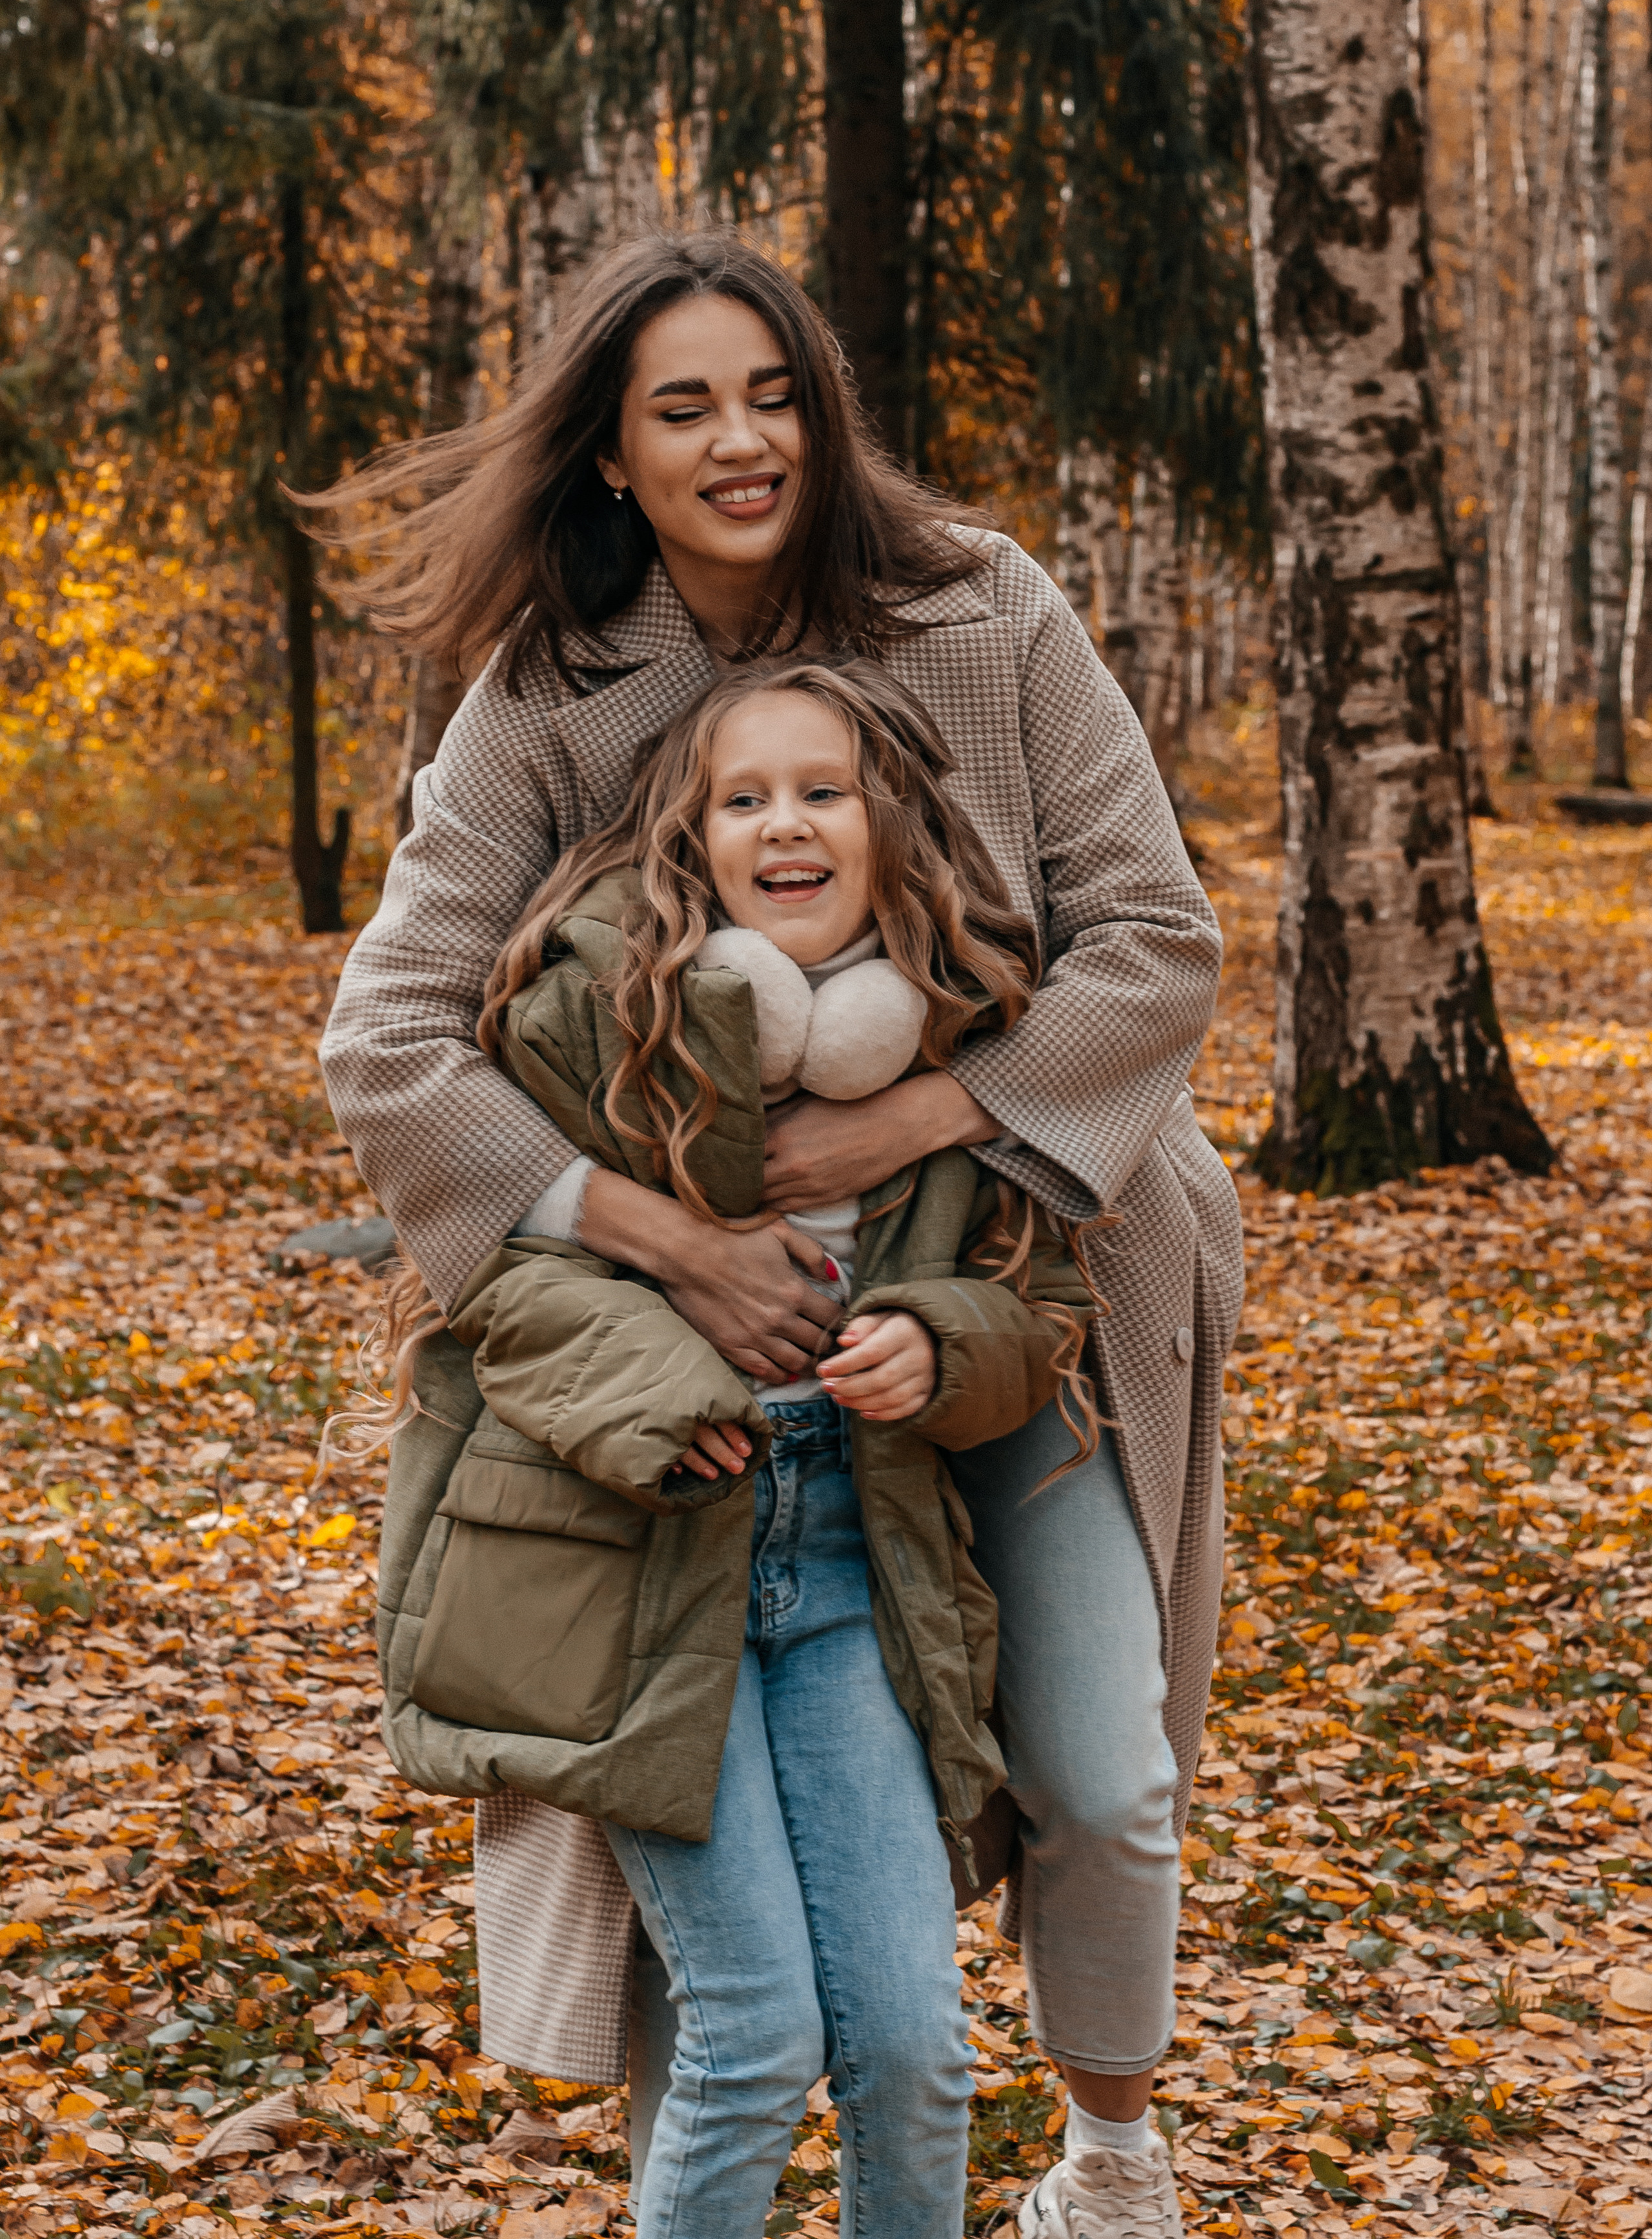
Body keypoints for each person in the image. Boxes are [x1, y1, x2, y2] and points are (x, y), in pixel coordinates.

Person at [314, 230, 1244, 2239]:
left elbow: (1161, 936)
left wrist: (900, 1117)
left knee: (1100, 1764)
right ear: (614, 463)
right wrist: (667, 1231)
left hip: (1026, 1270)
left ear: (825, 409)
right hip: (710, 1344)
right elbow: (384, 1034)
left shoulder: (984, 608)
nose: (741, 441)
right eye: (682, 410)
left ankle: (1107, 2161)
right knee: (696, 1805)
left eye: (772, 393)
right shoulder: (557, 694)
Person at [367, 656, 1102, 2238]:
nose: (785, 823)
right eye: (743, 796)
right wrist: (661, 1379)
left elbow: (1030, 1304)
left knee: (915, 2053)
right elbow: (486, 1259)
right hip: (637, 1571)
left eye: (821, 790)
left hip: (847, 1560)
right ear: (688, 840)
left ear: (887, 822)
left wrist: (939, 1344)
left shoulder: (951, 1053)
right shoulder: (593, 1011)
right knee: (754, 2037)